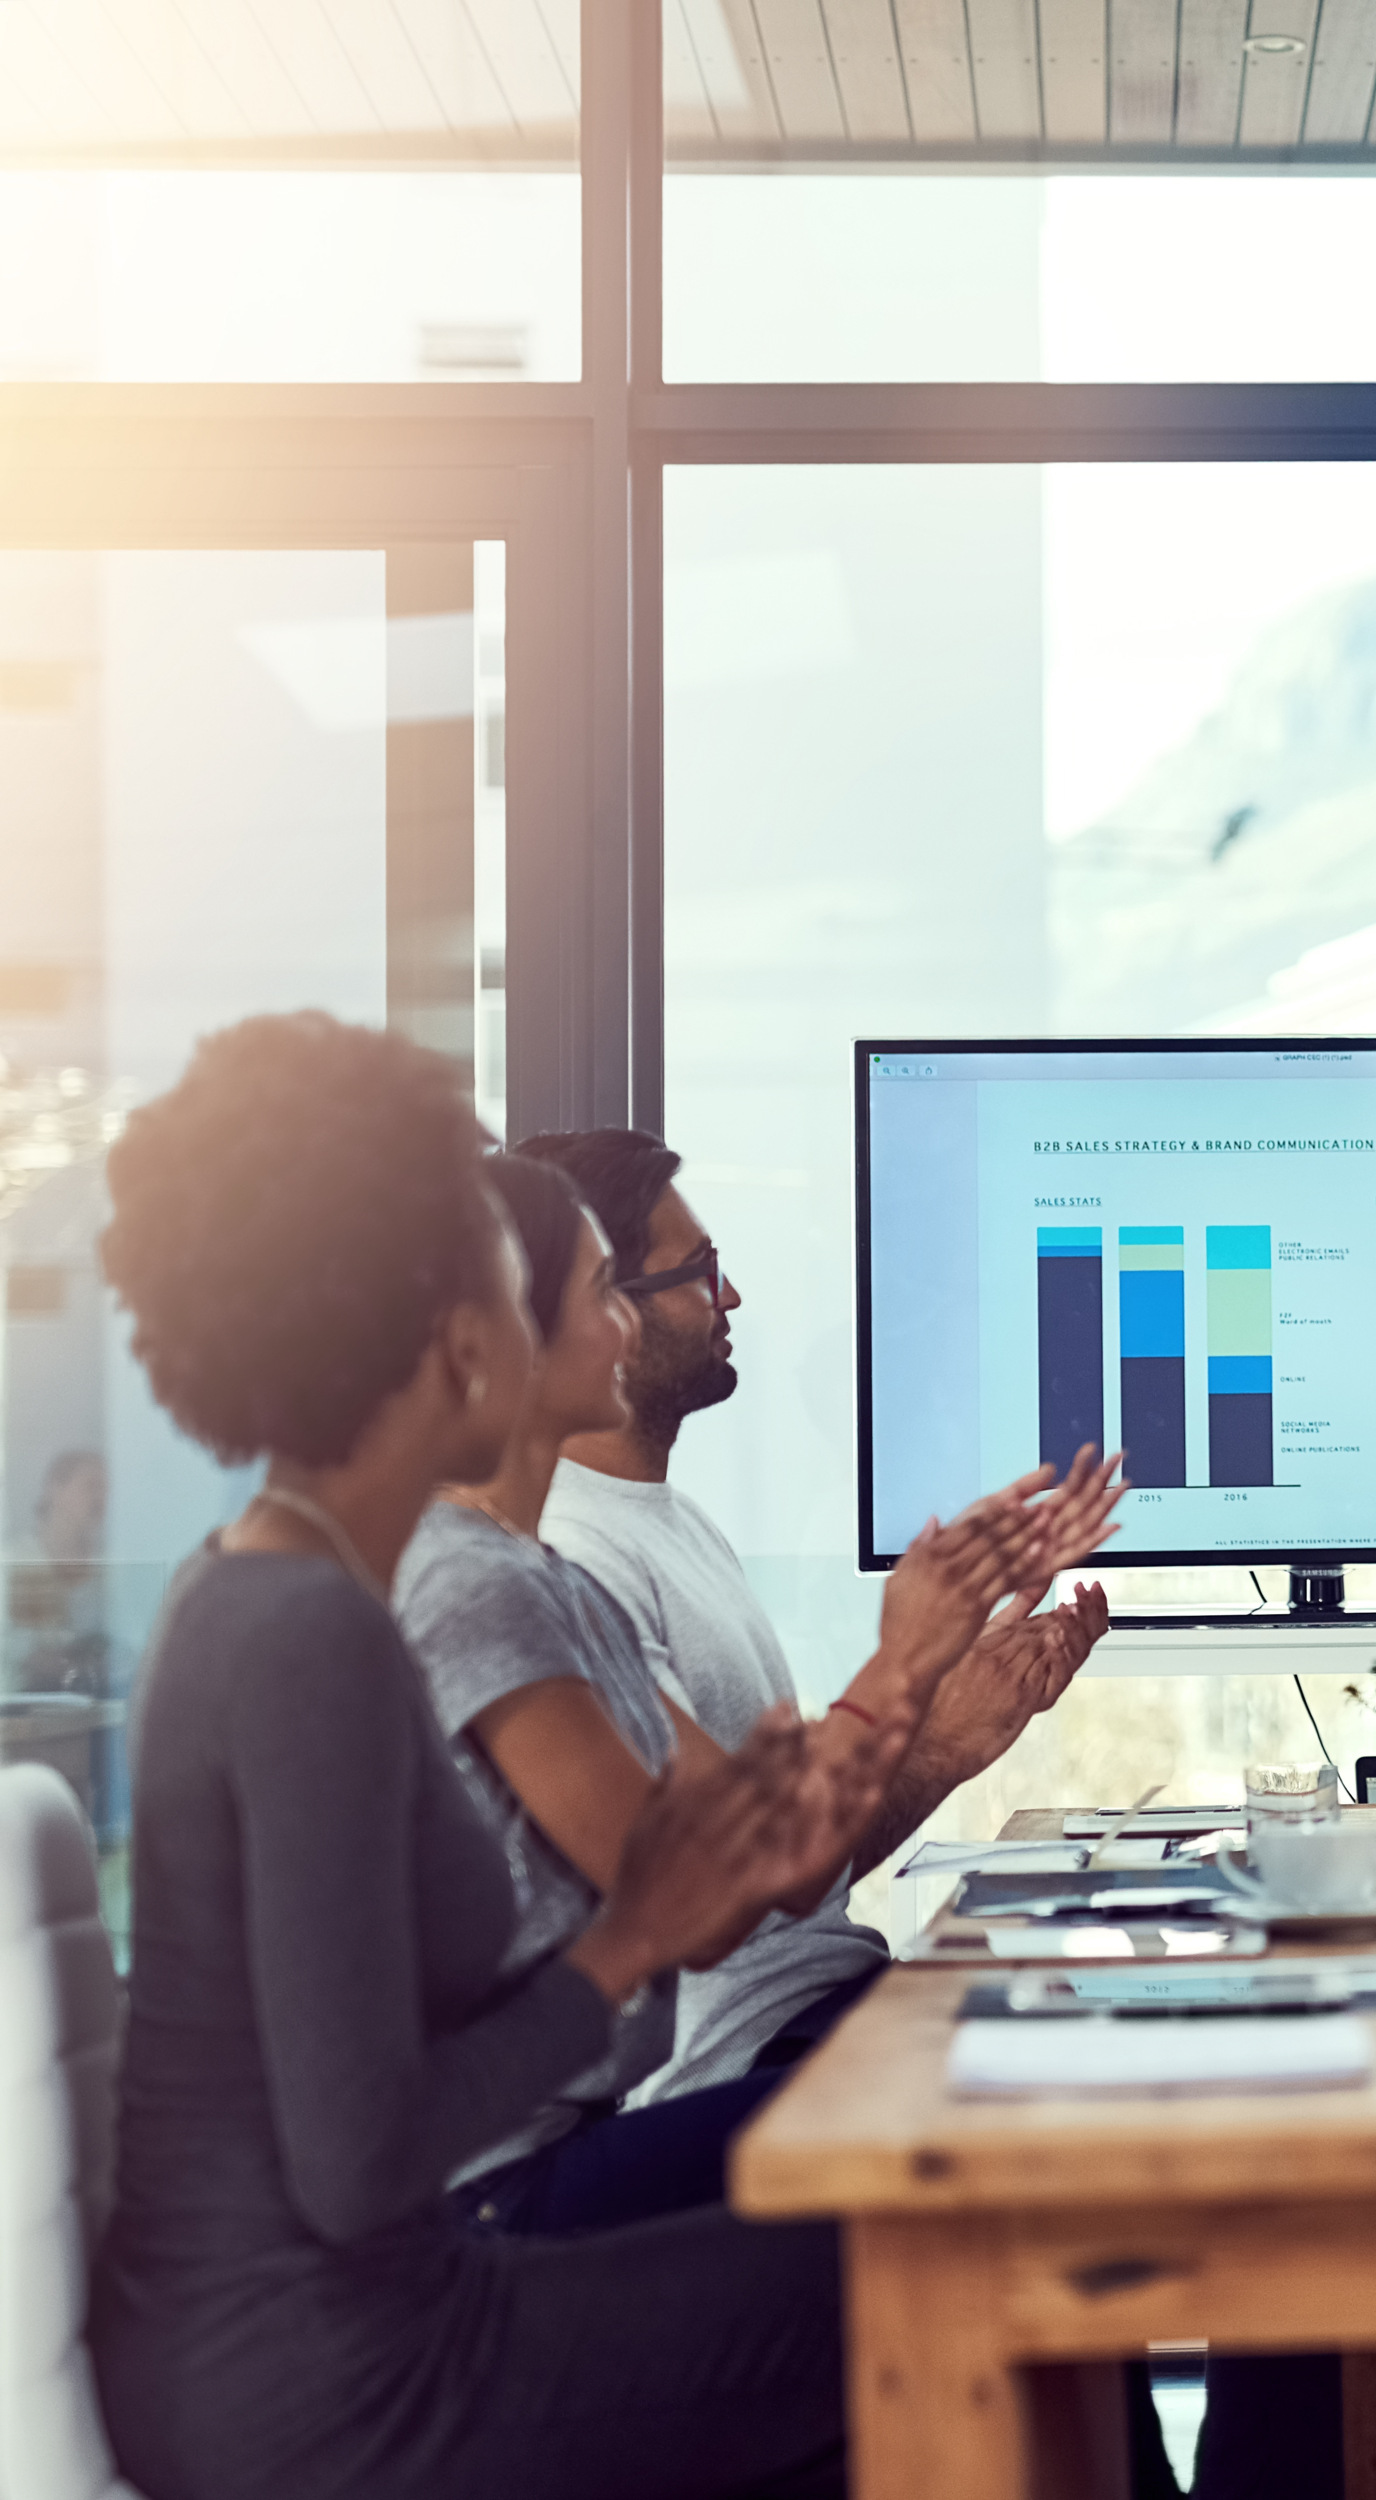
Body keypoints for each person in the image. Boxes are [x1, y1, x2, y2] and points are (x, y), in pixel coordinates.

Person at [87, 1010, 1054, 2500]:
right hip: (333, 2371)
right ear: (437, 1326)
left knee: (955, 2240)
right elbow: (359, 2164)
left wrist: (887, 1711)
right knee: (972, 2258)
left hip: (358, 2320)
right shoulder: (308, 1634)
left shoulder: (297, 1586)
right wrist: (629, 1948)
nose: (576, 1309)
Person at [397, 1150, 1121, 2231]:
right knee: (1052, 2123)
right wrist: (907, 1678)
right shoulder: (538, 1565)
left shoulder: (639, 1533)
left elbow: (778, 1868)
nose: (727, 1295)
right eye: (681, 1275)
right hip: (691, 2086)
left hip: (792, 2015)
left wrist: (935, 1718)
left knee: (1108, 2064)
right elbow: (727, 1896)